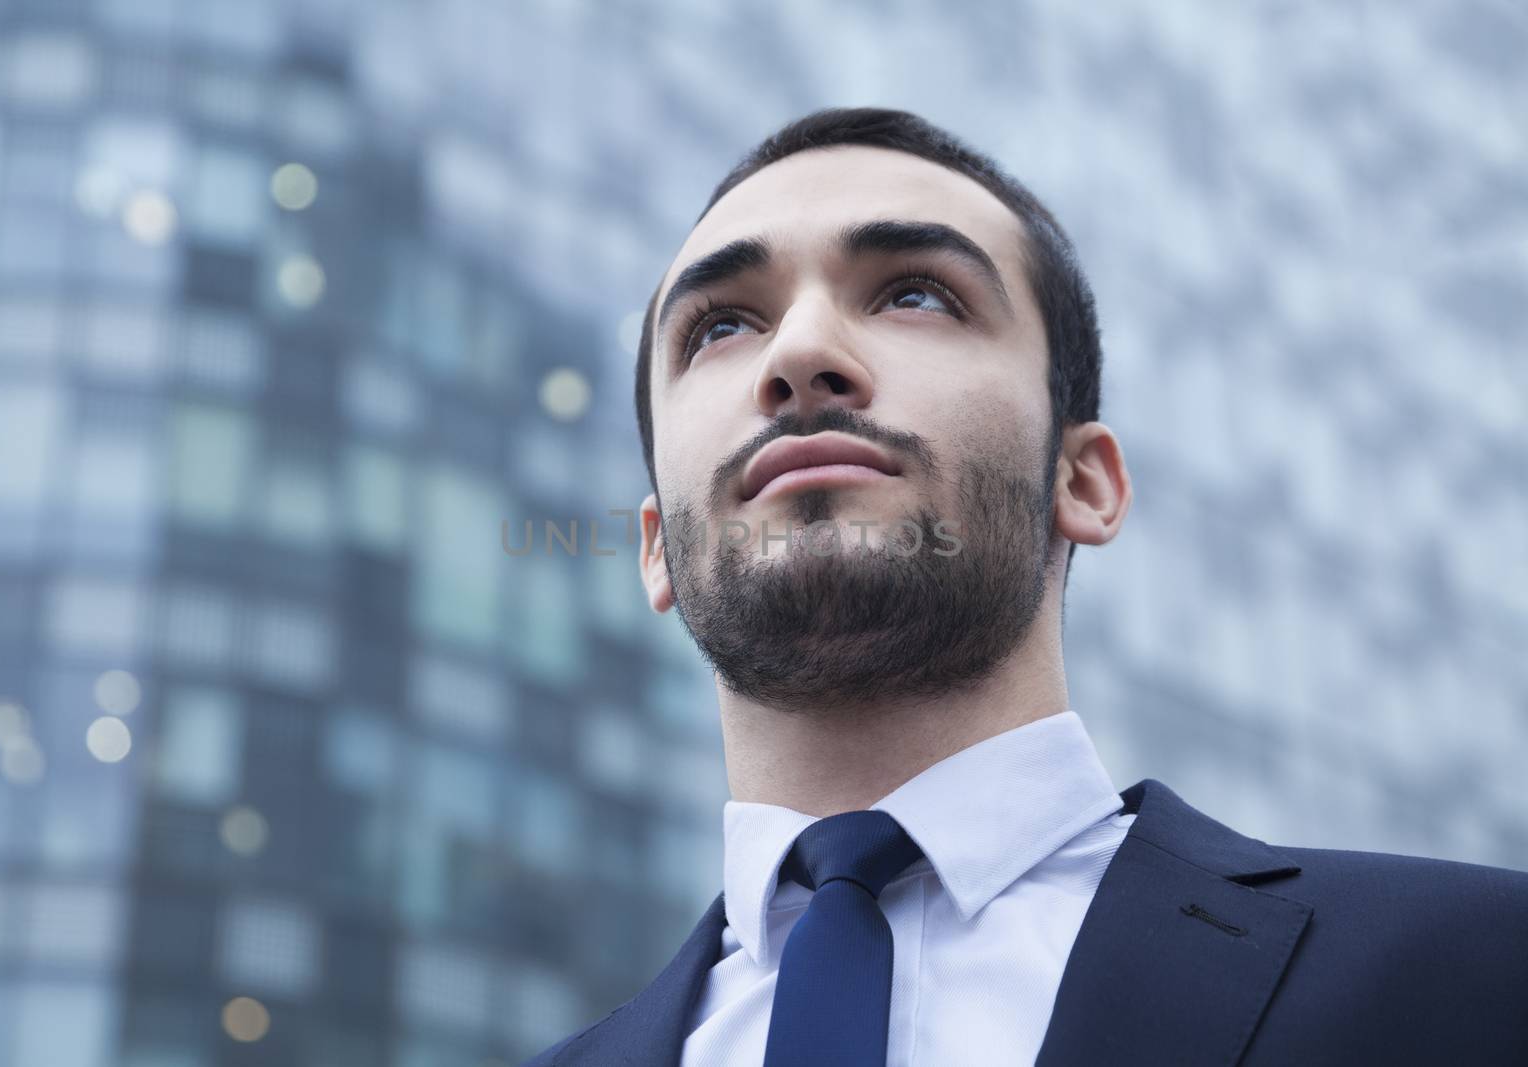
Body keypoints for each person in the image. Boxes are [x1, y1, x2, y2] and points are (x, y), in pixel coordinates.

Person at [522, 107, 1528, 1066]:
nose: (798, 354)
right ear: (654, 545)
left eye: (914, 293)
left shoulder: (1485, 970)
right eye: (721, 325)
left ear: (1083, 480)